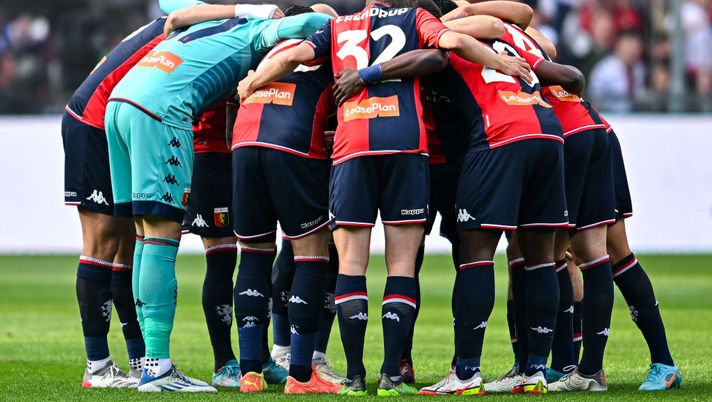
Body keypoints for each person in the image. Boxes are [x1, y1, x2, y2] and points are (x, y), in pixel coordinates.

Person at [238, 0, 532, 396]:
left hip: (352, 147)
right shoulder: (416, 17)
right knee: (401, 263)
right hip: (404, 144)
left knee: (351, 264)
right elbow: (455, 42)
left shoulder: (338, 25)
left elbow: (294, 56)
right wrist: (503, 64)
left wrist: (254, 81)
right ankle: (392, 375)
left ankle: (355, 377)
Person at [104, 1, 329, 391]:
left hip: (121, 104)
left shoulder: (211, 26)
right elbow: (310, 21)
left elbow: (174, 19)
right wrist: (352, 25)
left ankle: (150, 363)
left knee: (143, 235)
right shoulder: (256, 31)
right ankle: (157, 367)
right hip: (161, 110)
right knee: (160, 236)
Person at [63, 8, 181, 389]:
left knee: (128, 243)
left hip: (113, 123)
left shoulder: (172, 28)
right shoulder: (181, 25)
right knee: (103, 241)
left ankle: (138, 360)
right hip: (92, 123)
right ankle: (97, 365)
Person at [230, 3, 344, 394]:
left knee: (254, 256)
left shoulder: (271, 50)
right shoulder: (333, 50)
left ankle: (249, 371)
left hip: (243, 143)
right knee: (312, 255)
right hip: (294, 145)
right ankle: (300, 373)